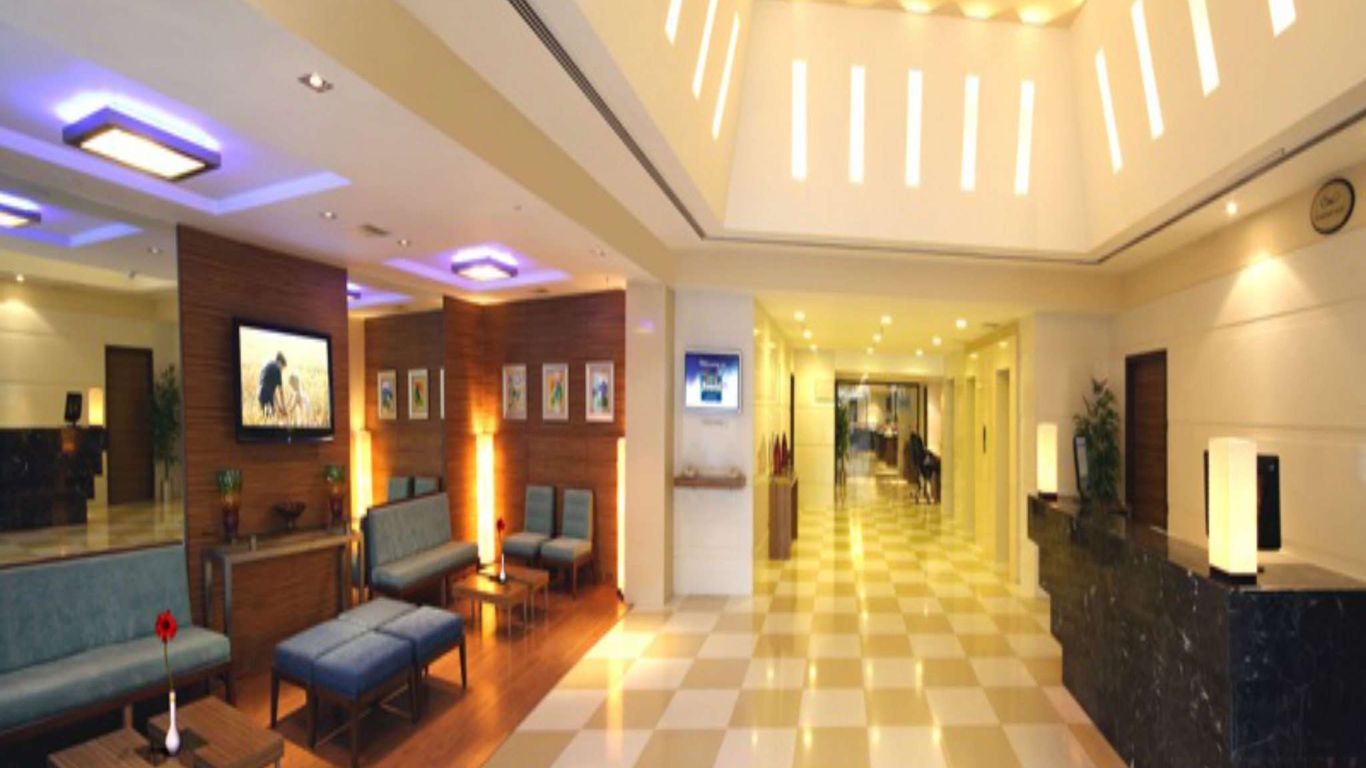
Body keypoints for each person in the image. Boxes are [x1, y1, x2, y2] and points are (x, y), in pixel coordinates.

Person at [257, 352, 287, 422]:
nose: (282, 370)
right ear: (280, 362)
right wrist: (283, 407)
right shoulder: (277, 369)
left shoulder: (268, 364)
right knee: (270, 419)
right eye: (282, 367)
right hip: (267, 394)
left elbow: (273, 392)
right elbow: (281, 391)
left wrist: (279, 406)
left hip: (260, 393)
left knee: (266, 418)